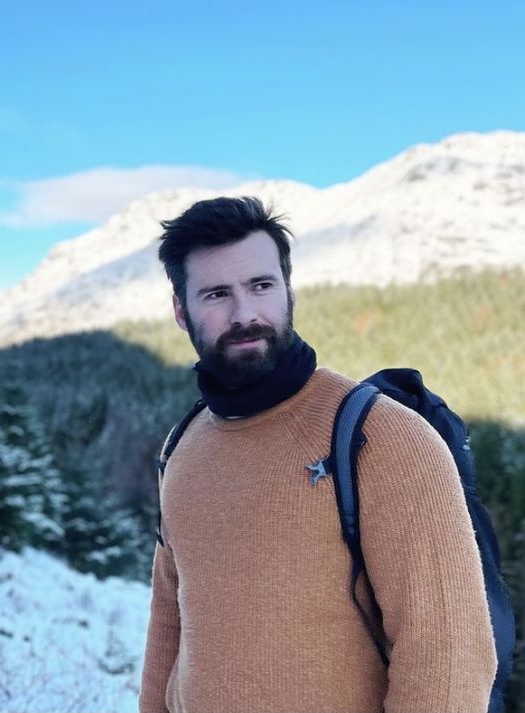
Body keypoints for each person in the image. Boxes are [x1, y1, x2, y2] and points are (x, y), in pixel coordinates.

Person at [138, 196, 497, 713]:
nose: (245, 314)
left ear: (288, 291)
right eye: (216, 294)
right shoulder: (183, 445)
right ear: (181, 310)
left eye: (261, 286)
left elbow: (450, 659)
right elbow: (168, 624)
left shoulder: (386, 437)